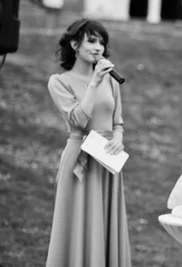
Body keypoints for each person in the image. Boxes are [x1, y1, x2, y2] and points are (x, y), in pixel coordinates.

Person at [45, 18, 131, 267]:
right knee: (77, 223)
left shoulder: (112, 80)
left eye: (102, 43)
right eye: (91, 41)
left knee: (104, 221)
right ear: (74, 44)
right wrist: (93, 83)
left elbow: (118, 122)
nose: (98, 48)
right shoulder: (59, 82)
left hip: (107, 158)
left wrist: (118, 137)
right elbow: (79, 120)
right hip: (79, 158)